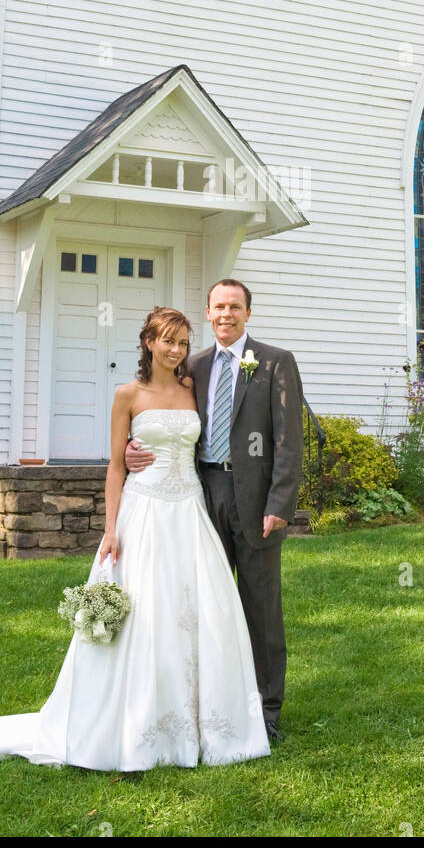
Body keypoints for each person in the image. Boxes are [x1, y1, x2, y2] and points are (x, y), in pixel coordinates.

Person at [0, 307, 270, 771]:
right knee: (146, 613)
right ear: (148, 341)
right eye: (168, 340)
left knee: (199, 613)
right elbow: (115, 467)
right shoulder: (128, 395)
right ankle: (137, 725)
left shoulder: (193, 389)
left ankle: (205, 724)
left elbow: (219, 429)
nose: (176, 350)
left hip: (189, 510)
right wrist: (110, 529)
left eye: (184, 342)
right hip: (143, 512)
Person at [125, 279, 303, 743]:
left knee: (261, 608)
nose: (226, 314)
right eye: (219, 307)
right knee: (209, 607)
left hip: (258, 499)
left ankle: (267, 713)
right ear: (208, 312)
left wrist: (279, 503)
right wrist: (131, 450)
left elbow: (288, 440)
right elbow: (166, 417)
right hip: (203, 495)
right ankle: (215, 706)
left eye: (235, 307)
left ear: (248, 312)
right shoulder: (194, 366)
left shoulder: (275, 361)